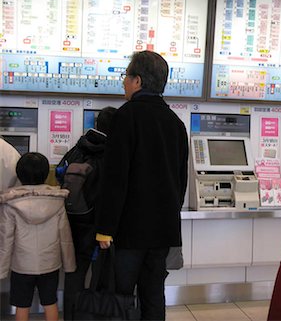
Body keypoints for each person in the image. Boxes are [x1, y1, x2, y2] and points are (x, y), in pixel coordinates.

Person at [95, 50, 189, 320]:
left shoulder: (126, 117)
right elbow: (180, 179)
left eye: (126, 76)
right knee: (153, 293)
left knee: (122, 295)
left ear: (137, 81)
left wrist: (104, 228)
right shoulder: (175, 123)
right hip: (163, 230)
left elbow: (115, 178)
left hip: (130, 231)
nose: (124, 82)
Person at [0, 152, 76, 321]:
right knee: (50, 302)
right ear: (45, 174)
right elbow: (65, 236)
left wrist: (2, 268)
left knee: (22, 304)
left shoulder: (10, 203)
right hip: (50, 263)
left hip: (21, 265)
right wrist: (69, 264)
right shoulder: (56, 201)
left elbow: (6, 239)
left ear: (19, 174)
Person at [60, 106, 117, 321]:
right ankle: (98, 316)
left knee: (75, 273)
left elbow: (60, 174)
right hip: (100, 223)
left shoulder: (78, 147)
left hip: (74, 220)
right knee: (103, 274)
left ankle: (72, 316)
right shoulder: (111, 152)